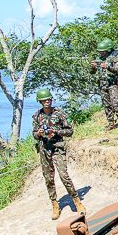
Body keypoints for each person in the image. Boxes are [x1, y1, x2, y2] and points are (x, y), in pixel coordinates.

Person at [31, 89, 85, 220]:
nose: (47, 102)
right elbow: (34, 134)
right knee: (48, 178)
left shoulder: (59, 113)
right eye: (44, 100)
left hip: (57, 148)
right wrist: (39, 133)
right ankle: (55, 204)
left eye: (48, 99)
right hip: (44, 149)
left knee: (64, 176)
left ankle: (77, 201)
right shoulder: (37, 116)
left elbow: (70, 131)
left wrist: (56, 131)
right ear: (40, 102)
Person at [89, 39, 118, 131]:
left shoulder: (115, 58)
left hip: (113, 84)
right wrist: (93, 67)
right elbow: (92, 72)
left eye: (103, 51)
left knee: (116, 103)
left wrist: (107, 66)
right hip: (102, 84)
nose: (101, 53)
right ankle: (111, 123)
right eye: (100, 51)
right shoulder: (99, 59)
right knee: (106, 105)